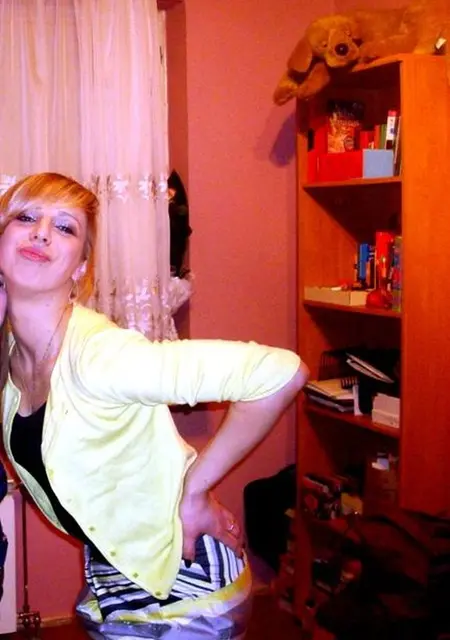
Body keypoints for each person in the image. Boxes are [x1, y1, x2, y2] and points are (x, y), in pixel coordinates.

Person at [0, 172, 308, 639]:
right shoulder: (11, 353)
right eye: (26, 217)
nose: (41, 232)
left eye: (64, 227)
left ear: (80, 267)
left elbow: (280, 372)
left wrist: (195, 490)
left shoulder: (101, 356)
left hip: (185, 593)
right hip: (120, 580)